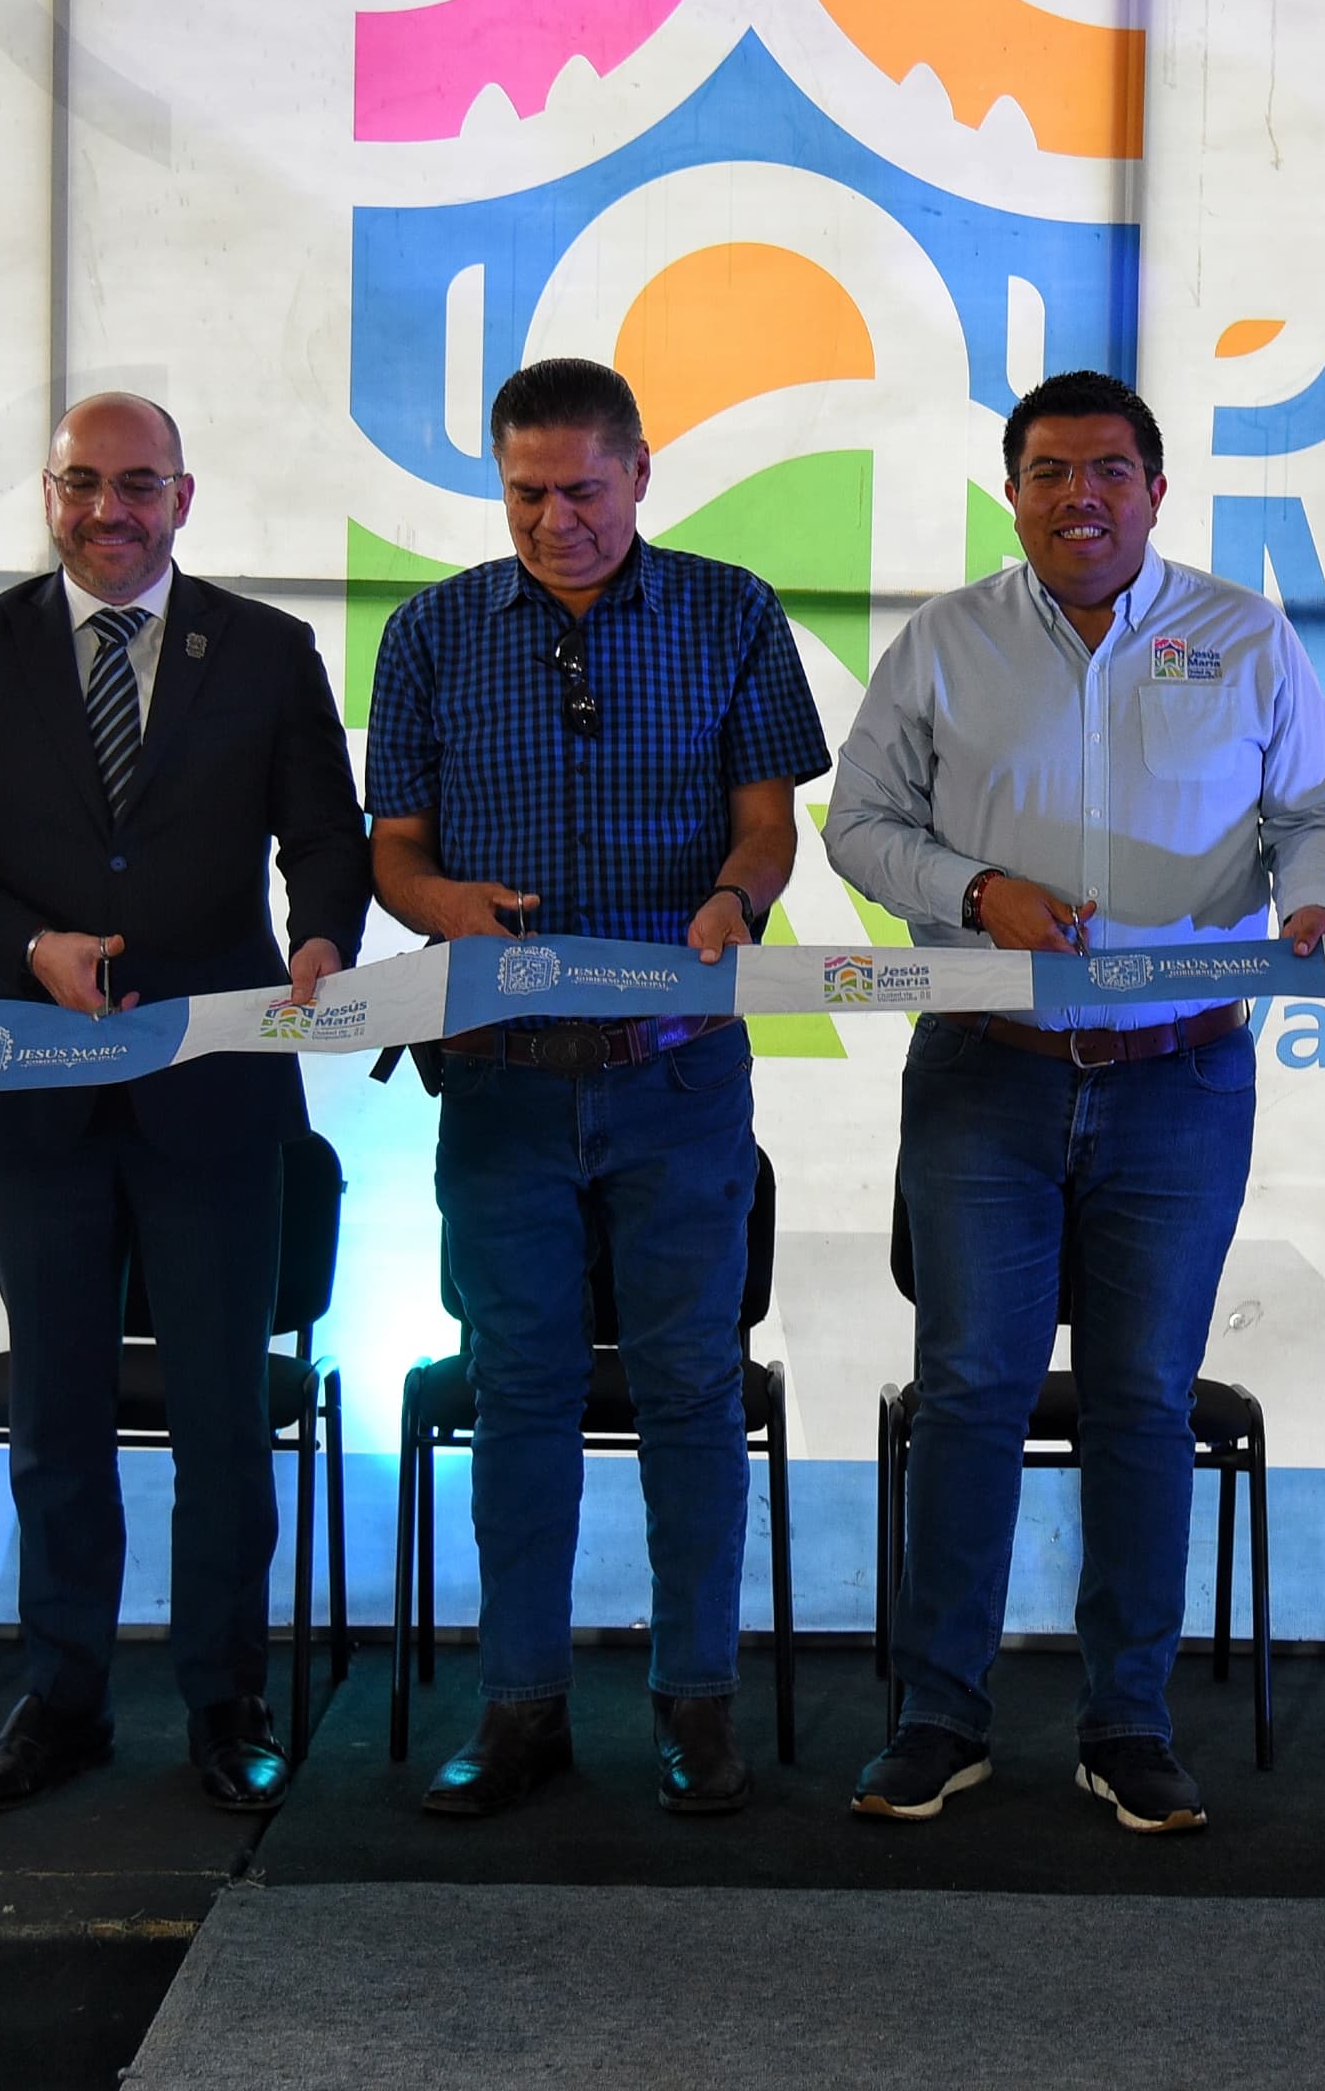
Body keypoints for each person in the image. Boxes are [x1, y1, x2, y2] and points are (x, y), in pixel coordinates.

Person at [827, 369, 1325, 1834]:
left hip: (1180, 1078)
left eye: (1110, 470)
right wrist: (971, 891)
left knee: (1142, 1401)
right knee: (970, 1393)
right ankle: (941, 1715)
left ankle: (1129, 1722)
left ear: (1156, 491)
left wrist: (1313, 900)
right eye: (1051, 472)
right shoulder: (946, 641)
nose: (1082, 497)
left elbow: (1319, 811)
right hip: (983, 1075)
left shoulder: (1243, 637)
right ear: (1012, 493)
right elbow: (859, 825)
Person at [0, 392, 372, 1814]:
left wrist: (322, 937)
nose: (110, 510)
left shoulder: (266, 649)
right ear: (48, 494)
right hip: (36, 1082)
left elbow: (323, 835)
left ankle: (226, 1698)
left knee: (224, 1416)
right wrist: (27, 942)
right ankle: (63, 1696)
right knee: (56, 1415)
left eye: (138, 484)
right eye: (83, 483)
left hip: (216, 1086)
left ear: (183, 498)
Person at [365, 359, 831, 1819]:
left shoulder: (733, 611)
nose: (554, 520)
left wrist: (738, 903)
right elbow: (394, 851)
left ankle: (697, 1703)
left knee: (693, 1387)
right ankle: (520, 1707)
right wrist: (442, 907)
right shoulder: (431, 631)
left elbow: (769, 826)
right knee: (520, 1394)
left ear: (640, 473)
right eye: (525, 494)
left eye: (581, 490)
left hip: (676, 1075)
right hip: (498, 1082)